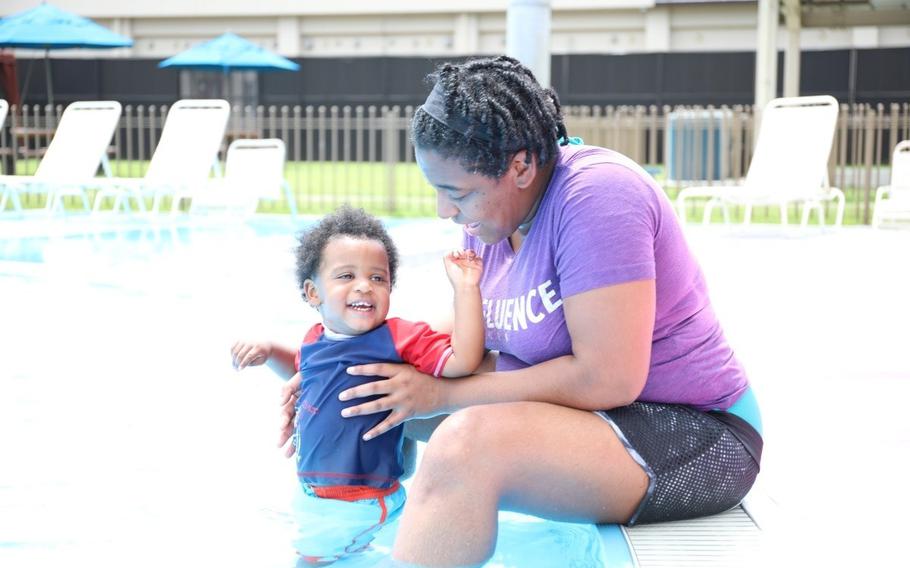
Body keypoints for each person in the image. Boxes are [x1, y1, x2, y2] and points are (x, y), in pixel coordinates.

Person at [277, 56, 763, 567]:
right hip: (603, 420)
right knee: (380, 398)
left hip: (697, 436)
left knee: (464, 449)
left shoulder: (597, 198)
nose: (445, 211)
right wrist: (334, 370)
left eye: (457, 192)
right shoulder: (492, 214)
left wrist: (445, 393)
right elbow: (465, 330)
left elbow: (608, 380)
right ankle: (345, 545)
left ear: (522, 166)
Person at [231, 205, 485, 564]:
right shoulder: (317, 338)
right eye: (346, 275)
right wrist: (270, 351)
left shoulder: (397, 338)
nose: (364, 285)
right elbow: (305, 374)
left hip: (366, 502)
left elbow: (463, 360)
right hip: (316, 494)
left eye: (378, 278)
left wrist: (466, 289)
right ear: (313, 293)